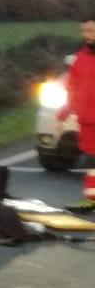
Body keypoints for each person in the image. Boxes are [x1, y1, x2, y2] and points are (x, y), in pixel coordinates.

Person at [56, 13, 95, 209]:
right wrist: (62, 114)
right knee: (92, 162)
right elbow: (73, 88)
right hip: (87, 121)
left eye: (90, 30)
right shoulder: (80, 58)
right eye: (84, 30)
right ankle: (91, 199)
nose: (85, 34)